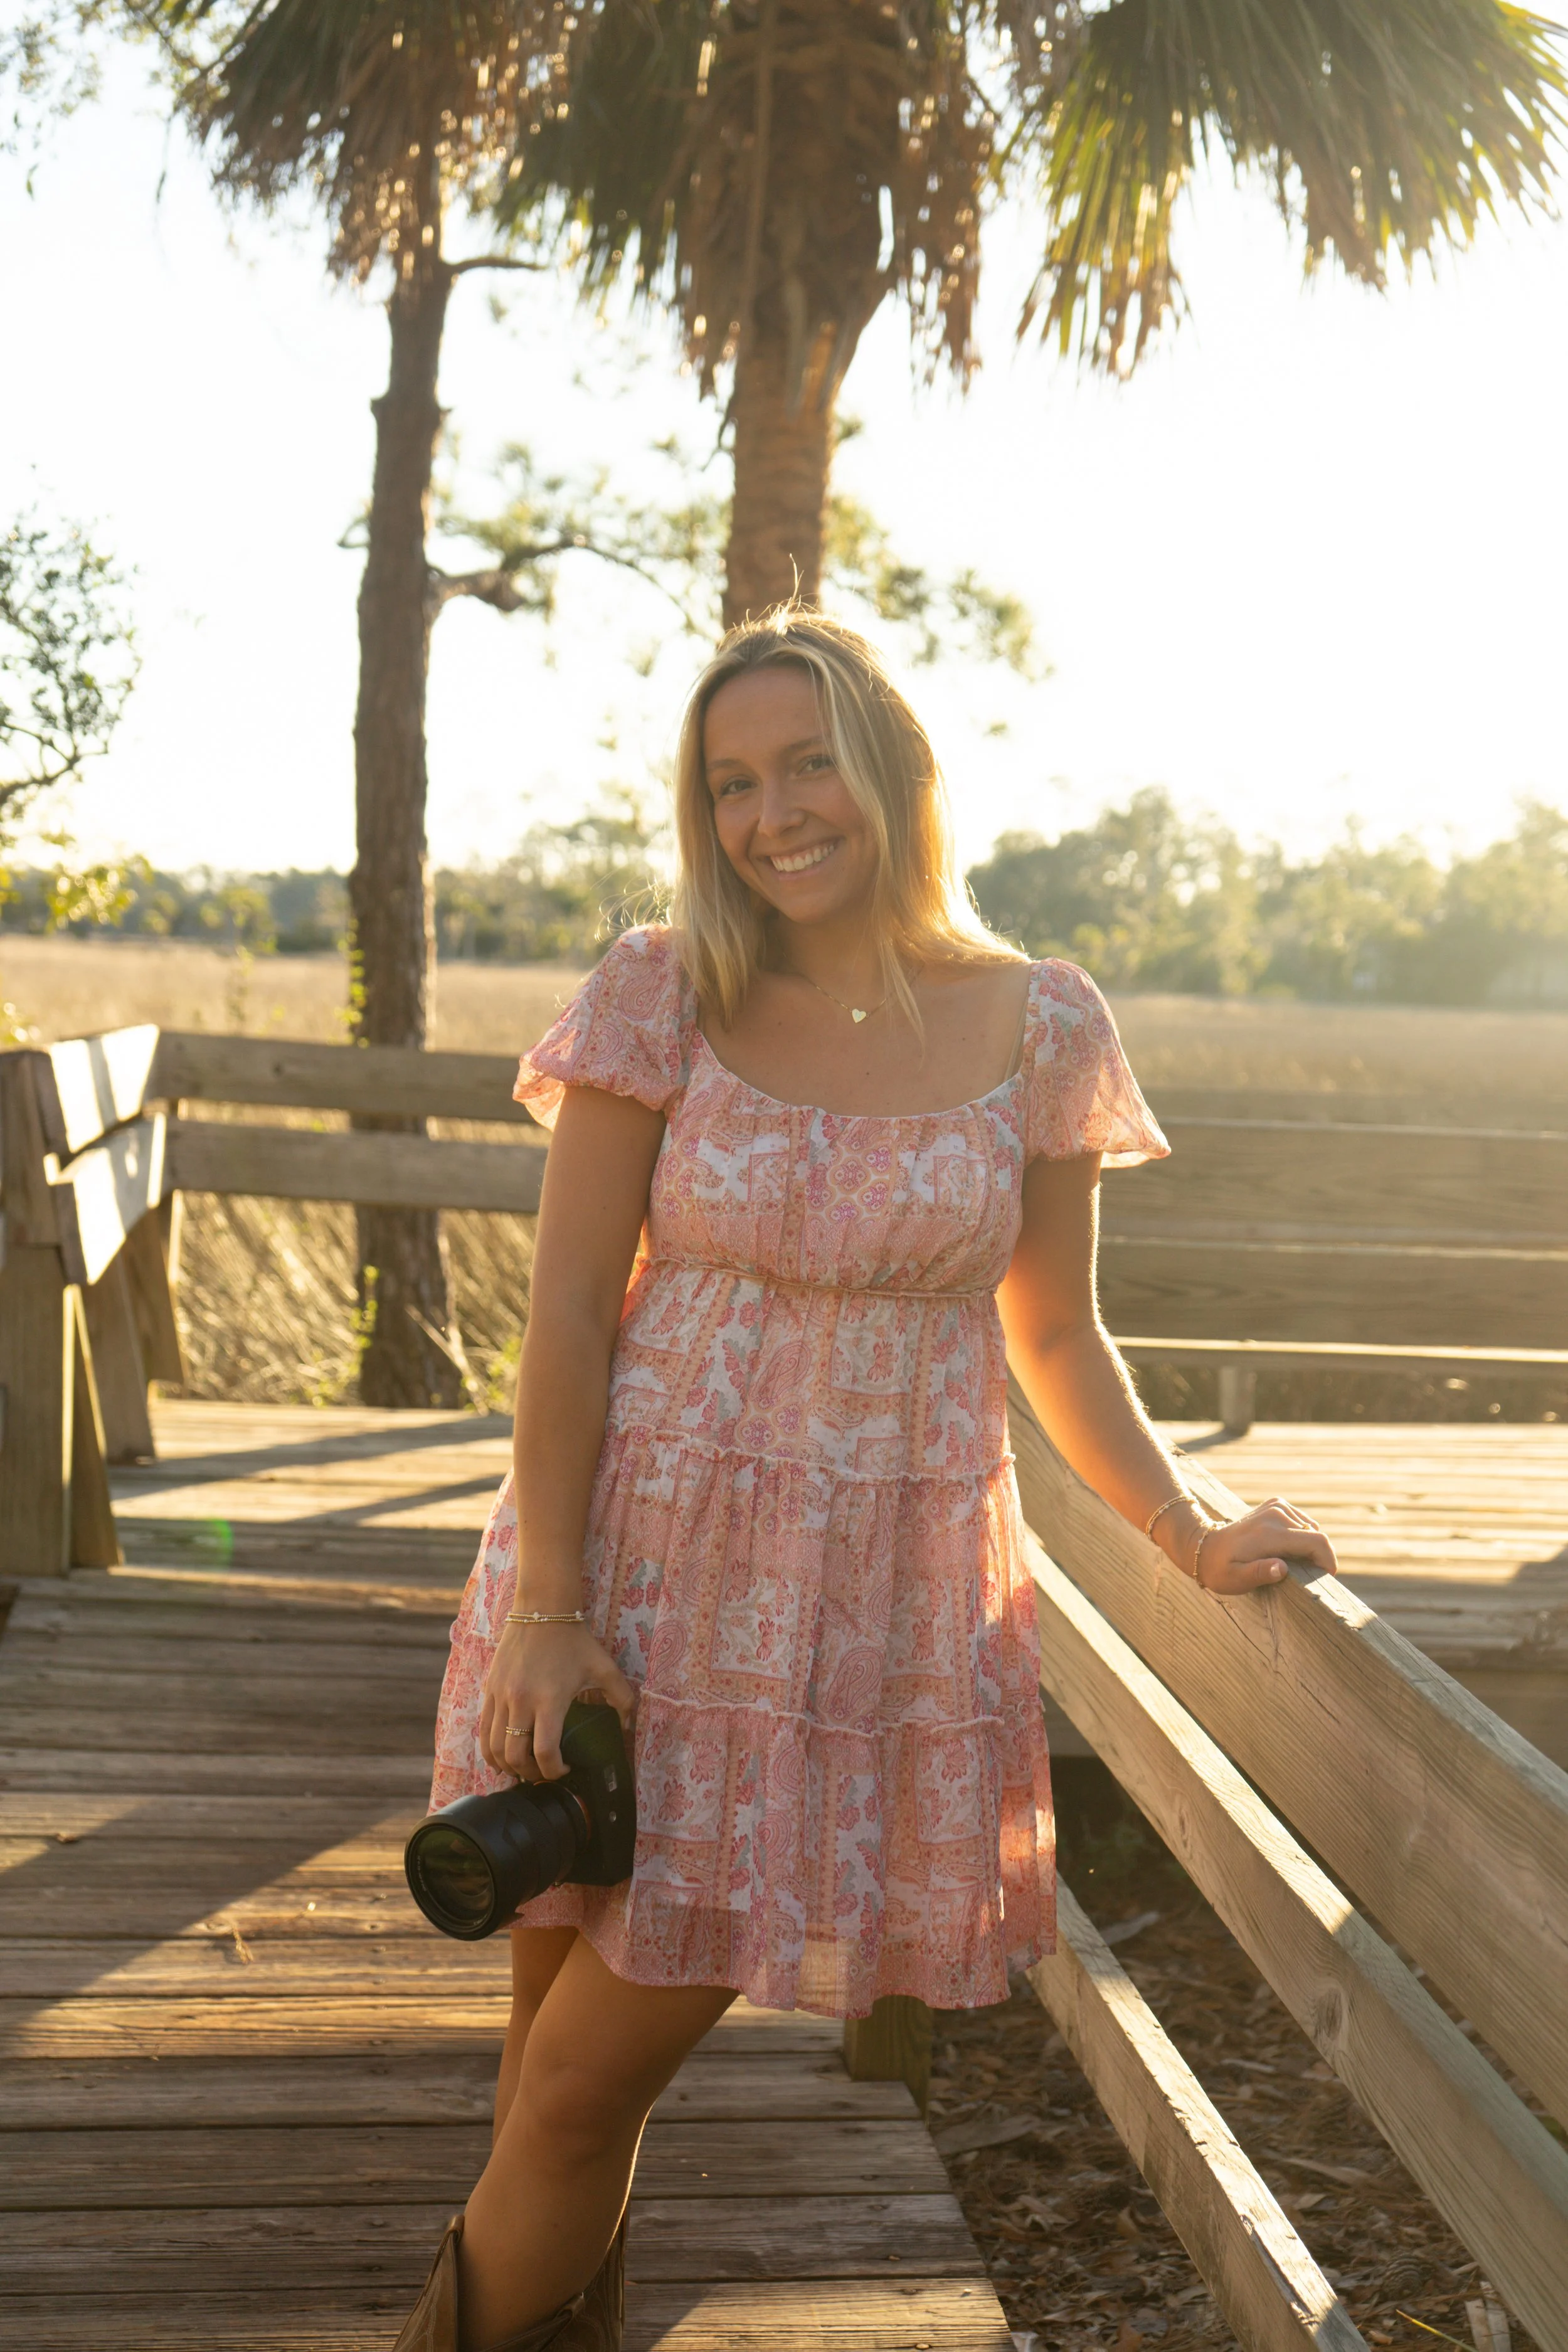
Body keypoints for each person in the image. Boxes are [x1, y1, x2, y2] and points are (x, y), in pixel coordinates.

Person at [392, 610, 1337, 2352]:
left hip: (839, 1627)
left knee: (583, 2086)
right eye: (731, 781)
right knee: (553, 2087)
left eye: (807, 761)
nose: (770, 813)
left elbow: (1057, 1337)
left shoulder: (1040, 1021)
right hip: (613, 1585)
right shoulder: (659, 986)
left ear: (895, 766)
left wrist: (1188, 1527)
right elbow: (567, 1327)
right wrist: (547, 1613)